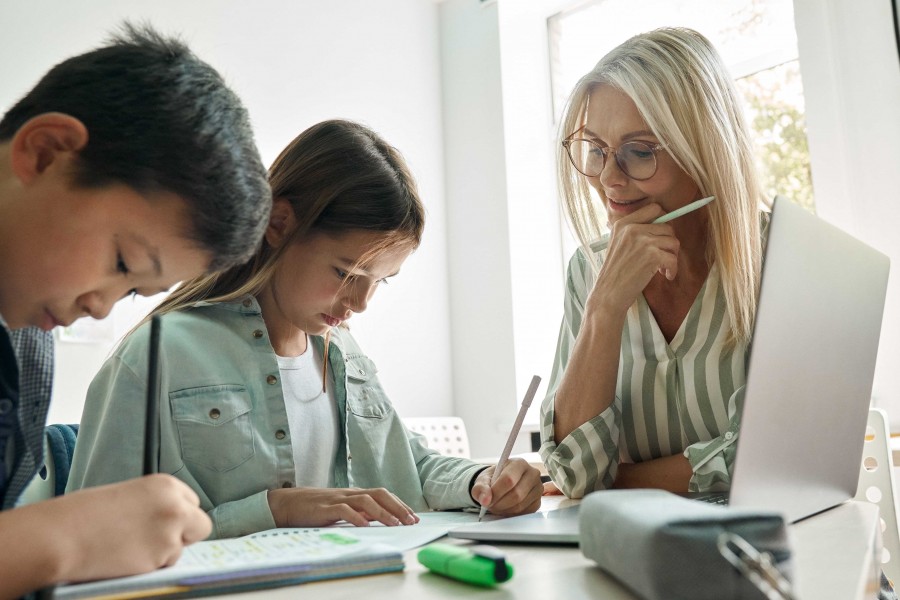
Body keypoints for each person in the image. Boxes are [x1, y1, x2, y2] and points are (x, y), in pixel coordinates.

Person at [68, 119, 544, 539]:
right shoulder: (158, 355)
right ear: (280, 223)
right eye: (346, 274)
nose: (360, 304)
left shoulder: (343, 351)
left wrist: (482, 479)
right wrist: (271, 510)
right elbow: (91, 535)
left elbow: (408, 466)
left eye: (381, 282)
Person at [0, 23, 271, 598]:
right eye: (122, 262)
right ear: (45, 152)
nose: (101, 309)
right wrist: (58, 539)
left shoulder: (27, 340)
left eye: (130, 294)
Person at [539, 27, 768, 499]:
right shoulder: (589, 271)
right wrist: (604, 308)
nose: (607, 179)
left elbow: (764, 457)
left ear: (706, 149)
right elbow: (576, 473)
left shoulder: (778, 256)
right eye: (596, 150)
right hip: (644, 557)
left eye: (639, 152)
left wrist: (619, 479)